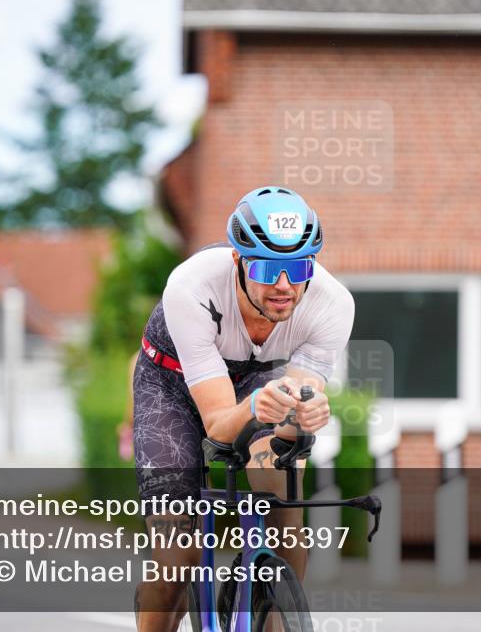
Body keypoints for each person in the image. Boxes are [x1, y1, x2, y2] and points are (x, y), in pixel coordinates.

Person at [133, 187, 354, 632]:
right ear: (238, 261)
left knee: (284, 512)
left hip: (259, 376)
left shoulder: (333, 305)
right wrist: (253, 405)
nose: (284, 286)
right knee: (178, 557)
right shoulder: (191, 286)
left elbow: (288, 428)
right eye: (268, 268)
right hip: (171, 383)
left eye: (298, 268)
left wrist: (301, 421)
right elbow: (218, 426)